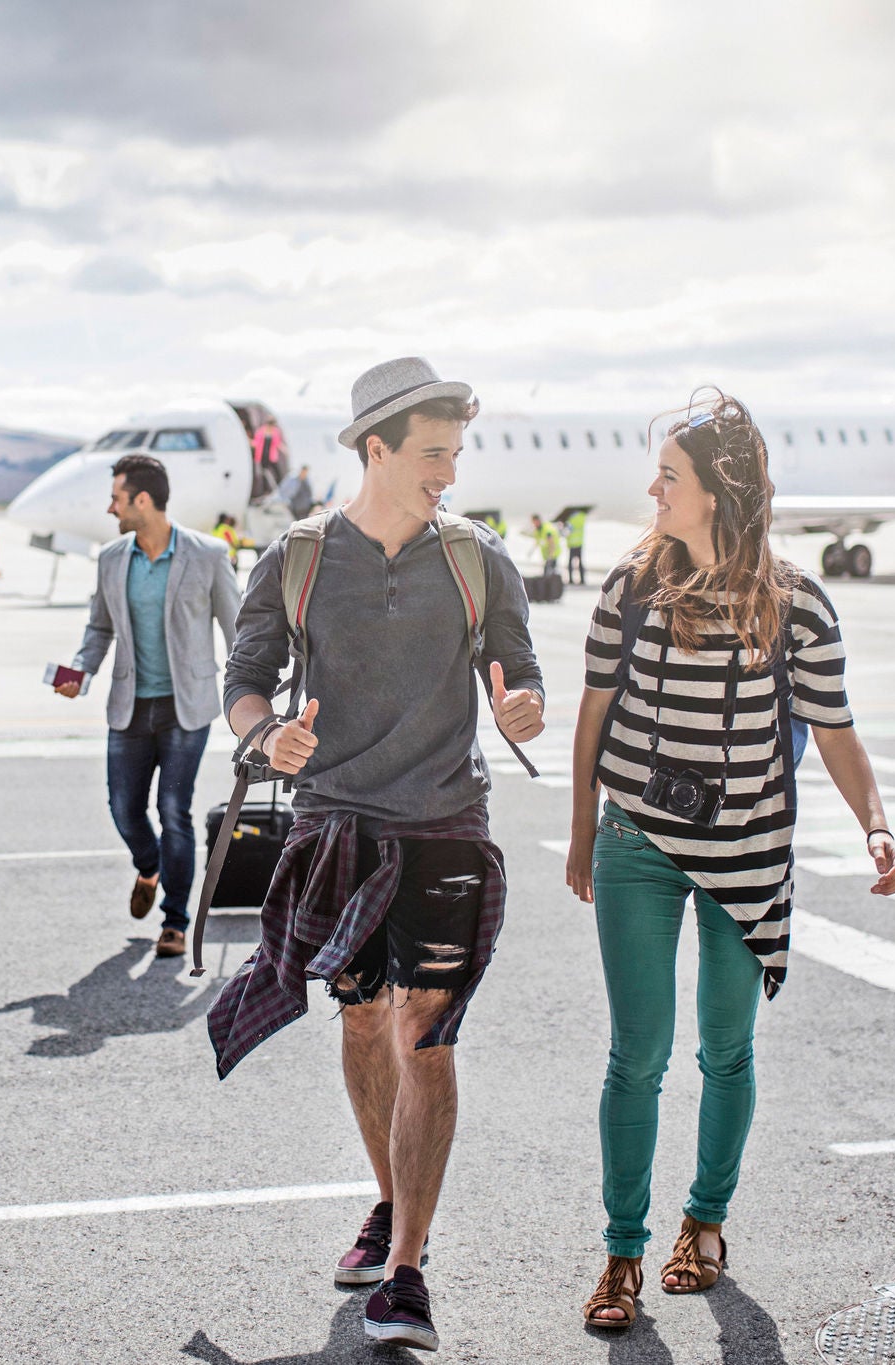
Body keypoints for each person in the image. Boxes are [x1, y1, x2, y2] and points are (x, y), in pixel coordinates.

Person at [211, 357, 546, 1353]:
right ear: (375, 449)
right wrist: (265, 734)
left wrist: (518, 701)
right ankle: (387, 1202)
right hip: (333, 826)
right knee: (361, 1028)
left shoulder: (476, 556)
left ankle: (405, 1269)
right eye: (432, 454)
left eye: (455, 452)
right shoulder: (299, 557)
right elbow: (243, 679)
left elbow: (516, 667)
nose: (448, 471)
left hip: (445, 824)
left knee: (422, 1036)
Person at [565, 392, 895, 1330]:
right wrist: (583, 833)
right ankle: (621, 1252)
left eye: (668, 476)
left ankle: (705, 1223)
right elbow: (592, 713)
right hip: (637, 841)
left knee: (726, 1048)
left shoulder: (797, 601)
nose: (652, 490)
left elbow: (833, 730)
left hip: (747, 850)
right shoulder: (628, 588)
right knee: (637, 1054)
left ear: (717, 490)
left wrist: (875, 821)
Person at [60, 454, 240, 959]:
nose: (110, 507)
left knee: (173, 811)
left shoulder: (207, 555)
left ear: (143, 500)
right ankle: (149, 866)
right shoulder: (112, 558)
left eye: (116, 497)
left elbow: (238, 629)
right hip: (130, 705)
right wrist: (80, 672)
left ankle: (175, 922)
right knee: (124, 809)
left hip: (187, 707)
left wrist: (254, 695)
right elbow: (98, 628)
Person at [528, 512, 562, 578]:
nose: (533, 524)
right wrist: (531, 551)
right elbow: (538, 541)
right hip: (547, 555)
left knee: (548, 573)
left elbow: (551, 543)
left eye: (533, 522)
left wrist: (551, 556)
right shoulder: (538, 530)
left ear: (537, 521)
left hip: (553, 554)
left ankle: (552, 585)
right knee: (548, 573)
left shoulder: (547, 530)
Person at [564, 507, 588, 585]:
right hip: (579, 544)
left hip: (572, 544)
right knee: (580, 563)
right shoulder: (582, 517)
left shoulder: (571, 520)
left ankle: (571, 580)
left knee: (570, 563)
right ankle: (582, 580)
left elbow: (567, 532)